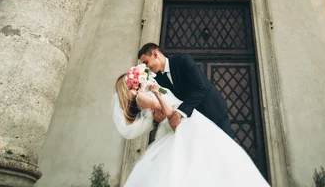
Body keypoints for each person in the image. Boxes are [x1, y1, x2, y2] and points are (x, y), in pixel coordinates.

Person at [112, 73, 270, 187]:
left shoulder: (147, 90)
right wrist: (157, 97)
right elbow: (166, 110)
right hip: (180, 124)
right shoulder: (141, 97)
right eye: (132, 79)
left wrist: (155, 92)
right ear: (128, 87)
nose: (137, 78)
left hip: (187, 120)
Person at [137, 42, 233, 136]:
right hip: (193, 123)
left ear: (155, 54)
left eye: (146, 62)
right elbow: (166, 93)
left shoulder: (183, 60)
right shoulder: (158, 78)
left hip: (212, 111)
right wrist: (159, 109)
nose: (146, 67)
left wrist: (179, 113)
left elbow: (200, 88)